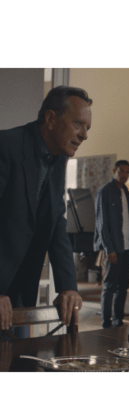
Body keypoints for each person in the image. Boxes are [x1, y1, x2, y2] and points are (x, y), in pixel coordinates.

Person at [0, 85, 92, 335]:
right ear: (51, 119)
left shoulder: (59, 160)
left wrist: (68, 286)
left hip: (21, 293)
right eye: (78, 124)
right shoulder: (6, 145)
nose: (84, 135)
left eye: (87, 127)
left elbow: (56, 223)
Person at [94, 160, 129, 328]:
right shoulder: (104, 192)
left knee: (123, 286)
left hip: (128, 246)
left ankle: (118, 321)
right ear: (114, 170)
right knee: (109, 286)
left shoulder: (126, 192)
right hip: (114, 248)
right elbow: (101, 223)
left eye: (127, 172)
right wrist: (109, 248)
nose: (124, 175)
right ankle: (106, 324)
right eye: (121, 171)